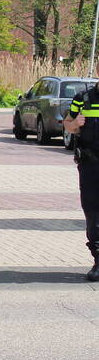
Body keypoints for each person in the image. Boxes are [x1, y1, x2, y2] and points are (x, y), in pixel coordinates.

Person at [63, 85, 99, 281]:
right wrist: (75, 124)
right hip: (90, 163)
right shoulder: (83, 98)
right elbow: (67, 124)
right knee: (93, 211)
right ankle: (98, 261)